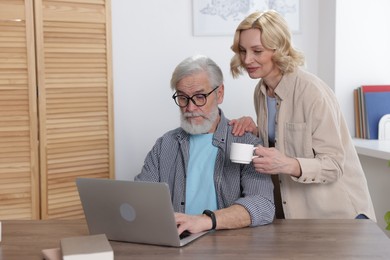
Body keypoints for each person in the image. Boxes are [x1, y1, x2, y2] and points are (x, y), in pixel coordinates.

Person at [229, 10, 376, 220]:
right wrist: (258, 130)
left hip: (339, 216)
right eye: (243, 51)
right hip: (300, 215)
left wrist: (287, 164)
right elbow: (285, 139)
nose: (247, 59)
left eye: (257, 51)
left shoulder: (312, 92)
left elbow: (334, 165)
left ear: (278, 49)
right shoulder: (261, 92)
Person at [135, 55, 275, 235]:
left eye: (200, 97)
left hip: (229, 247)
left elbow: (263, 205)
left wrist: (205, 221)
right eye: (183, 98)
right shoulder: (165, 145)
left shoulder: (246, 142)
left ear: (220, 93)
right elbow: (141, 199)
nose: (190, 108)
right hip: (177, 244)